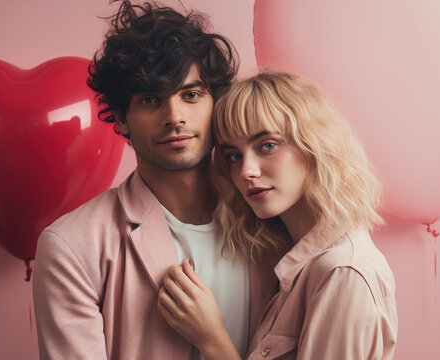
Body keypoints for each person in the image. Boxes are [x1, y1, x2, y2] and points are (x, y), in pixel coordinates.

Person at [32, 2, 278, 359]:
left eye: (191, 95)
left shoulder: (268, 218)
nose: (174, 117)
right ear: (121, 119)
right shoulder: (71, 247)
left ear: (216, 103)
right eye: (150, 99)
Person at [157, 72, 398, 359]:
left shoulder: (341, 272)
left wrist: (212, 340)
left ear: (314, 146)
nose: (247, 170)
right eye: (234, 155)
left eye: (267, 146)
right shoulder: (293, 263)